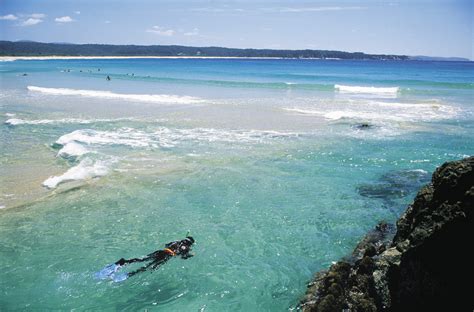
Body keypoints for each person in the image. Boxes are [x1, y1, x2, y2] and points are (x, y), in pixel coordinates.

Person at [98, 236, 195, 281]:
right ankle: (129, 274)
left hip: (161, 251)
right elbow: (183, 257)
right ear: (190, 243)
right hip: (166, 256)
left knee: (141, 259)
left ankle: (122, 262)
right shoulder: (186, 248)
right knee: (148, 268)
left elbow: (167, 244)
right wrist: (190, 255)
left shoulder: (176, 241)